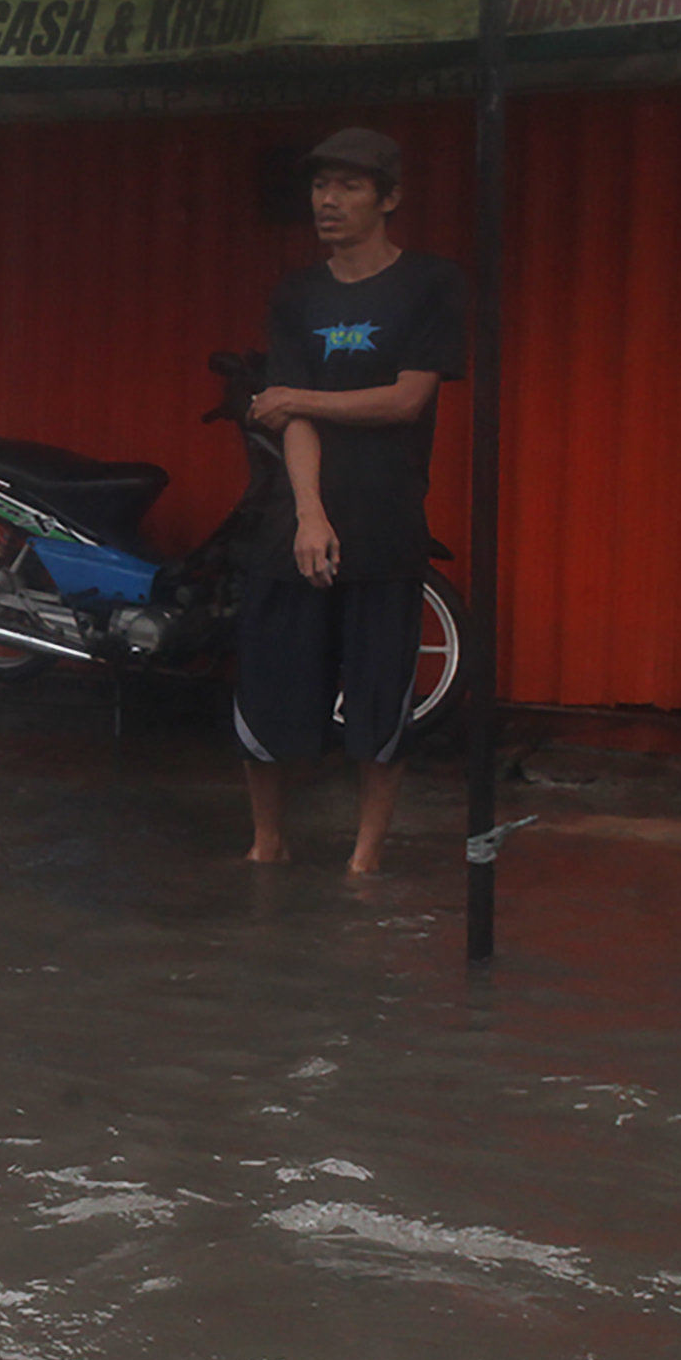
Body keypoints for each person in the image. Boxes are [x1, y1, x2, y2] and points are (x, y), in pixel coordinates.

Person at [237, 127, 467, 875]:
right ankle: (268, 843)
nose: (327, 201)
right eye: (319, 186)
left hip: (386, 519)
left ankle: (364, 862)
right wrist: (307, 511)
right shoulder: (296, 293)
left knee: (378, 702)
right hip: (298, 521)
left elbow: (407, 400)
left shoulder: (430, 284)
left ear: (390, 198)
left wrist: (301, 395)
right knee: (270, 692)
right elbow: (288, 421)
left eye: (349, 186)